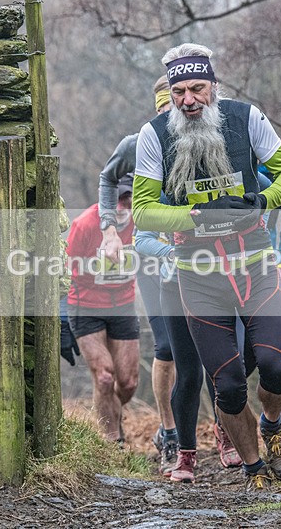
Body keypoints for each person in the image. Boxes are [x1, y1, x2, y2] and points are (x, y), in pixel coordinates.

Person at [132, 43, 281, 491]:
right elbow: (144, 211)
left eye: (197, 88)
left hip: (256, 267)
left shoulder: (247, 119)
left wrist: (262, 201)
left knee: (276, 365)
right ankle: (253, 469)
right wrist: (192, 218)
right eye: (178, 92)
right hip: (199, 275)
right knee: (226, 384)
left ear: (213, 86)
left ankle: (272, 425)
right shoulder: (155, 135)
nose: (188, 100)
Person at [97, 77, 181, 474]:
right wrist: (110, 230)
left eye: (178, 109)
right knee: (167, 347)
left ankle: (223, 428)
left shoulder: (208, 140)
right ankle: (169, 433)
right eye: (165, 109)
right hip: (153, 257)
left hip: (201, 259)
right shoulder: (139, 143)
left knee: (215, 346)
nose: (172, 116)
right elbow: (107, 177)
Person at [67, 176, 140, 442]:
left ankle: (112, 414)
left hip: (123, 305)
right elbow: (65, 269)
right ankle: (112, 441)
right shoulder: (85, 224)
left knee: (128, 382)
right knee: (105, 377)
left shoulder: (139, 221)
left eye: (127, 200)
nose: (122, 207)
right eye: (117, 200)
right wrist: (64, 317)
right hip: (86, 305)